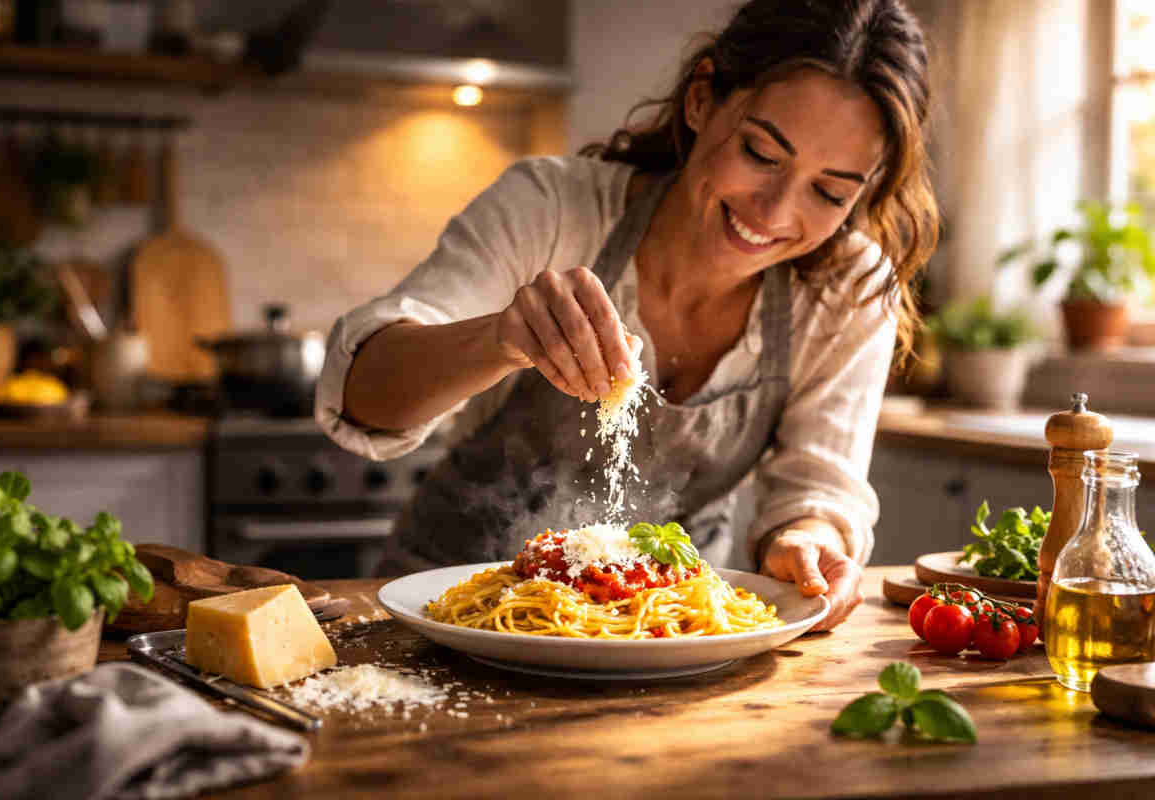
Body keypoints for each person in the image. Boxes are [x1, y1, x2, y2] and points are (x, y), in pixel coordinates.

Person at [316, 0, 938, 631]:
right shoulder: (552, 208)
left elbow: (820, 485)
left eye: (830, 192)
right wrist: (499, 337)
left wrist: (808, 539)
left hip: (672, 633)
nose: (776, 212)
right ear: (701, 99)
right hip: (448, 620)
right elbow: (364, 399)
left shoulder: (850, 288)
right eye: (759, 153)